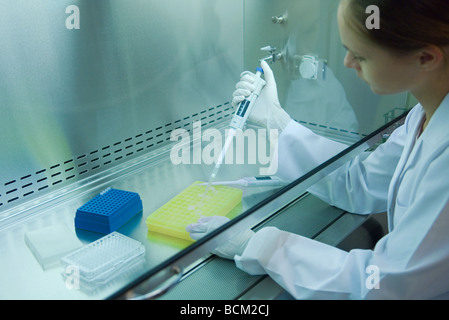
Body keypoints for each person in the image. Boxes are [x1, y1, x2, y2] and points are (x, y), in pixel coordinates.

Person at [186, 0, 449, 299]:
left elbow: (382, 286)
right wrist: (276, 120)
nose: (348, 62)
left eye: (361, 55)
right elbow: (359, 181)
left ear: (426, 58)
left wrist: (256, 245)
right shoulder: (424, 114)